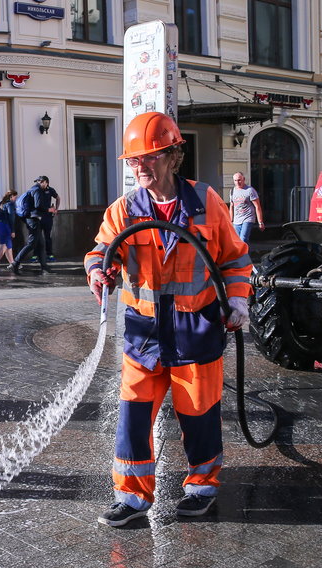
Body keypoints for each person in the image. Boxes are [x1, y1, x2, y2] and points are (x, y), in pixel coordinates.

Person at [84, 112, 252, 527]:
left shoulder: (206, 201)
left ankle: (200, 487)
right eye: (133, 160)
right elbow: (100, 251)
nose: (140, 167)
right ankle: (132, 496)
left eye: (150, 158)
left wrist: (238, 301)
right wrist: (96, 271)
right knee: (133, 418)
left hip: (196, 331)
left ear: (173, 156)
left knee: (199, 415)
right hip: (144, 336)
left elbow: (234, 258)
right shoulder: (124, 210)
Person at [10, 177, 54, 274]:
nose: (45, 185)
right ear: (44, 183)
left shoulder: (32, 189)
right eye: (44, 183)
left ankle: (44, 267)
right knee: (32, 244)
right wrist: (49, 209)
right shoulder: (37, 191)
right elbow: (38, 205)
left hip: (30, 218)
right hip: (33, 219)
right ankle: (15, 263)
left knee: (41, 244)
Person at [27, 175, 61, 263]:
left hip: (47, 217)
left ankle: (49, 254)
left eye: (41, 182)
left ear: (46, 182)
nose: (40, 183)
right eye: (38, 182)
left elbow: (57, 197)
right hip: (37, 217)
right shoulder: (37, 190)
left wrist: (56, 209)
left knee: (47, 236)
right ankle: (35, 255)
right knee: (36, 236)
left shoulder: (50, 190)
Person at [229, 172, 264, 244]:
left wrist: (260, 222)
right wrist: (230, 221)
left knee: (243, 239)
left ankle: (244, 254)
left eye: (239, 180)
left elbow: (257, 206)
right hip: (236, 220)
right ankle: (245, 255)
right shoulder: (232, 191)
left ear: (243, 179)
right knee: (237, 242)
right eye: (235, 180)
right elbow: (232, 206)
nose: (237, 182)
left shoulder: (250, 190)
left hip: (248, 218)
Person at [0, 190, 17, 271]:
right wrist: (13, 230)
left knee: (9, 247)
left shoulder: (0, 203)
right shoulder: (10, 204)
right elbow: (11, 217)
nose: (15, 199)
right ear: (11, 196)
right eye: (15, 197)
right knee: (3, 247)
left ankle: (12, 263)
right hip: (5, 226)